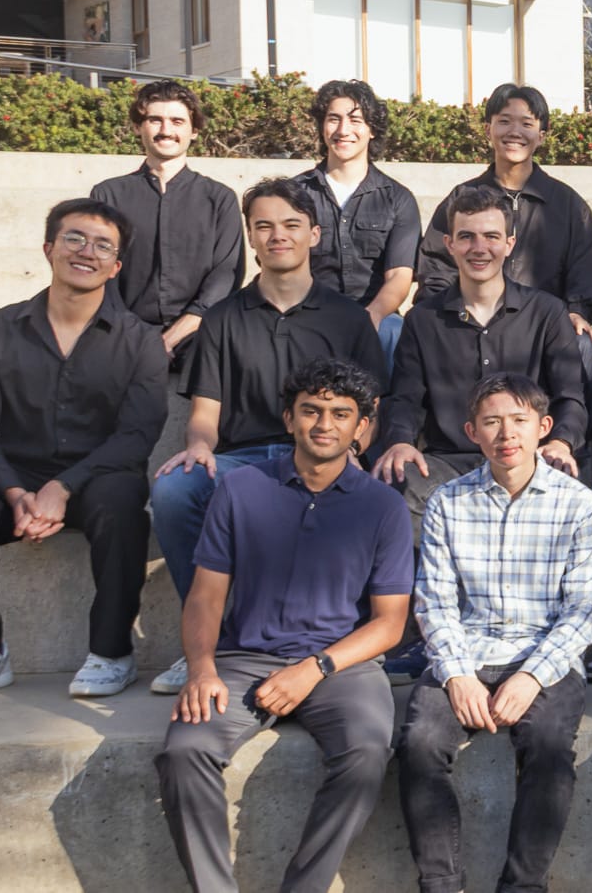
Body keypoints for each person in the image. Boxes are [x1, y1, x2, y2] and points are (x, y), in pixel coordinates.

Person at [155, 359, 412, 893]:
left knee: (367, 753)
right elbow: (205, 596)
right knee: (184, 751)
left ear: (362, 427)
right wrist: (201, 670)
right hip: (244, 660)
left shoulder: (384, 506)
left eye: (341, 414)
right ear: (289, 418)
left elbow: (390, 624)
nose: (325, 424)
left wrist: (314, 669)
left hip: (342, 664)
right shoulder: (241, 488)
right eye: (311, 411)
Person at [148, 178, 387, 694]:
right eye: (264, 226)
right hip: (246, 464)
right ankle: (207, 642)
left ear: (314, 234)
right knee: (173, 489)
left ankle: (348, 642)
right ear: (251, 238)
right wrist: (198, 446)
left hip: (325, 454)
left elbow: (370, 410)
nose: (278, 235)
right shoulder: (222, 318)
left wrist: (354, 451)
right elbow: (205, 413)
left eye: (291, 225)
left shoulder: (348, 318)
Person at [0, 199, 166, 702]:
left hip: (100, 473)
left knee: (123, 507)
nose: (87, 252)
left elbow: (137, 435)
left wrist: (63, 486)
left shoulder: (140, 340)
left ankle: (111, 653)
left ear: (116, 267)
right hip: (14, 470)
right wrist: (13, 490)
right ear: (48, 249)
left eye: (103, 246)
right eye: (74, 238)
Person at [397, 373, 592, 893]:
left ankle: (522, 885)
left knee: (549, 747)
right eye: (491, 422)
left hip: (545, 655)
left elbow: (584, 607)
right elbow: (435, 601)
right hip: (467, 650)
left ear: (543, 427)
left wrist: (532, 676)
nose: (506, 433)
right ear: (472, 431)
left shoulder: (578, 503)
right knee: (420, 743)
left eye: (518, 420)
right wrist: (457, 675)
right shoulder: (447, 501)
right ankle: (442, 884)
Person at [373, 184, 588, 506]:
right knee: (398, 480)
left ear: (509, 244)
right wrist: (400, 441)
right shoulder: (423, 319)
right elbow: (406, 398)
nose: (479, 248)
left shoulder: (547, 312)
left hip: (525, 459)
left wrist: (561, 441)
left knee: (565, 482)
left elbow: (569, 395)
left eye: (491, 236)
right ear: (449, 245)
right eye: (466, 237)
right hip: (448, 463)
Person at [415, 83, 592, 351]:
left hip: (544, 330)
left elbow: (589, 276)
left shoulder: (568, 205)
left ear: (541, 136)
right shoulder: (462, 199)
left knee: (582, 344)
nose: (515, 132)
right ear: (488, 129)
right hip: (470, 324)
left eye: (526, 124)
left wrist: (577, 312)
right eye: (505, 121)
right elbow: (436, 267)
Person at [89, 78, 244, 363]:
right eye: (155, 120)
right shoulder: (108, 195)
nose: (166, 131)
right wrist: (137, 338)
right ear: (138, 127)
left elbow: (226, 275)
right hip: (122, 337)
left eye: (177, 121)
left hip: (199, 337)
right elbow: (100, 271)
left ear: (194, 131)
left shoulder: (220, 199)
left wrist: (170, 338)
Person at [289, 79, 422, 360]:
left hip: (376, 314)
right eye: (333, 119)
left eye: (355, 120)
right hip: (306, 314)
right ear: (322, 127)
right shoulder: (294, 194)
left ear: (372, 129)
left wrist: (371, 316)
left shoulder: (398, 199)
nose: (343, 130)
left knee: (395, 332)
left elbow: (399, 276)